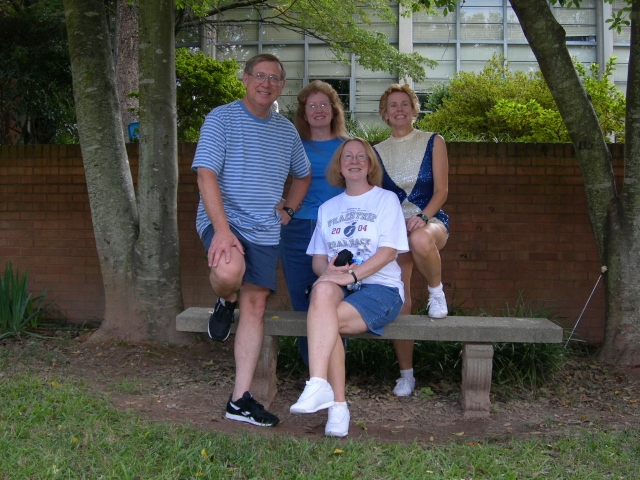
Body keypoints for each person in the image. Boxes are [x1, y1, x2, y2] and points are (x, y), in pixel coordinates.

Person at [192, 54, 311, 427]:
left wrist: (288, 209)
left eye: (274, 77)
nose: (266, 82)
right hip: (225, 220)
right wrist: (222, 230)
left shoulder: (286, 132)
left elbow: (303, 175)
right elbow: (205, 175)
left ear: (282, 86)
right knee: (230, 272)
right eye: (259, 75)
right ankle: (225, 298)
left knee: (256, 306)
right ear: (245, 80)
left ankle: (239, 399)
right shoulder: (221, 118)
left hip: (265, 229)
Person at [289, 138, 408, 437]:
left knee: (324, 319)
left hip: (382, 290)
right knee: (321, 289)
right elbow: (318, 261)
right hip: (343, 288)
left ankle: (335, 403)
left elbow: (388, 253)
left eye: (361, 157)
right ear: (339, 167)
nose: (354, 161)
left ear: (370, 165)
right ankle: (321, 388)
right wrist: (329, 272)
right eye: (347, 157)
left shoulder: (385, 200)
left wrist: (352, 277)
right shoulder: (329, 208)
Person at [374, 83, 450, 397]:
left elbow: (442, 190)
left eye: (405, 103)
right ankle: (406, 375)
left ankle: (436, 292)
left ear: (414, 109)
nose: (399, 109)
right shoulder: (376, 151)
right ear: (385, 113)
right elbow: (377, 197)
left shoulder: (434, 141)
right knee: (400, 300)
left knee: (420, 239)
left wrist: (423, 216)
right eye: (393, 105)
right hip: (395, 230)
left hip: (430, 221)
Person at [279, 81, 347, 367]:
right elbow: (271, 178)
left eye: (324, 105)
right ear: (303, 114)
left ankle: (335, 375)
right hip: (298, 232)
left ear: (333, 111)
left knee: (332, 301)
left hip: (338, 233)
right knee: (303, 302)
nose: (318, 111)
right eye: (312, 106)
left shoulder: (348, 147)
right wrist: (282, 208)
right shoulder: (292, 145)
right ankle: (312, 374)